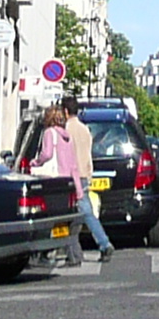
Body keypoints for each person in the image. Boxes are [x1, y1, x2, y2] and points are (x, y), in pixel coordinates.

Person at [59, 102, 113, 262]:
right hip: (84, 173)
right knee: (82, 213)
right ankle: (75, 252)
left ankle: (103, 244)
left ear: (66, 111)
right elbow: (88, 154)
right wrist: (89, 173)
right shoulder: (84, 129)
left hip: (71, 176)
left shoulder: (65, 130)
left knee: (79, 213)